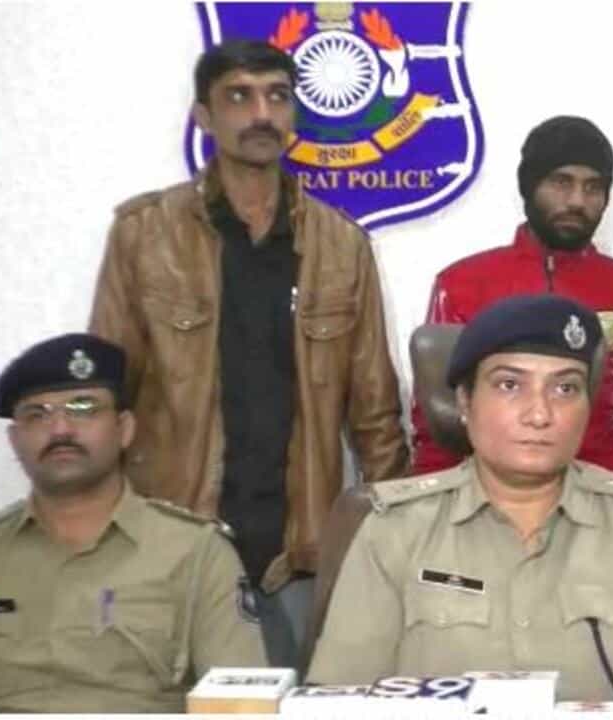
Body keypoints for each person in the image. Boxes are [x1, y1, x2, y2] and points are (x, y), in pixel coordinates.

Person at [88, 39, 408, 668]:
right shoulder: (145, 234)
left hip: (300, 554)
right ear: (204, 116)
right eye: (239, 96)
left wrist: (392, 545)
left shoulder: (342, 245)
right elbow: (106, 396)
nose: (261, 113)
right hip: (176, 545)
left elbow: (375, 414)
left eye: (277, 96)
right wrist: (105, 536)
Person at [309, 295, 613, 706]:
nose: (539, 414)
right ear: (465, 402)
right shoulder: (394, 529)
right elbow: (339, 702)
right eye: (509, 385)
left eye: (565, 389)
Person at [0, 334, 266, 713]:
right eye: (37, 414)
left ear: (124, 429)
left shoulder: (196, 552)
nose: (60, 430)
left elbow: (240, 706)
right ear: (15, 440)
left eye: (83, 408)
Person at [411, 115, 613, 476]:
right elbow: (437, 424)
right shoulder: (463, 283)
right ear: (529, 186)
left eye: (593, 187)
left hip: (600, 498)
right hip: (487, 496)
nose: (577, 201)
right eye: (561, 183)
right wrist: (432, 501)